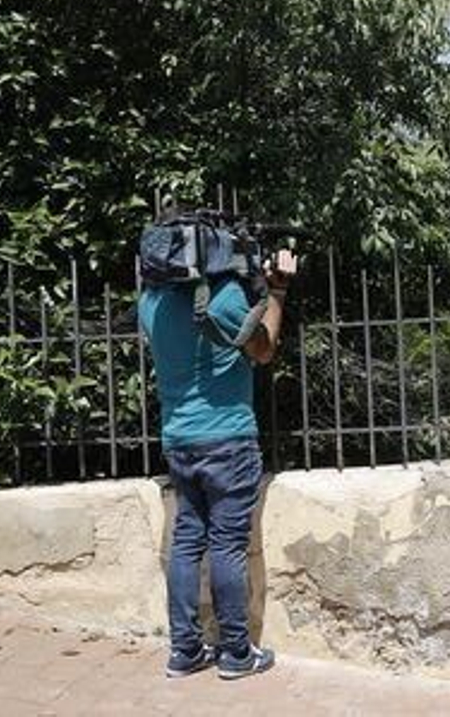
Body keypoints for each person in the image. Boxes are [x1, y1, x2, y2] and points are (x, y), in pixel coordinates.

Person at [138, 249, 297, 680]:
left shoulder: (150, 301)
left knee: (187, 540)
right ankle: (236, 654)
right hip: (228, 439)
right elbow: (263, 351)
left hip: (179, 440)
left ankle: (185, 651)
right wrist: (276, 291)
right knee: (227, 544)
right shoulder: (226, 299)